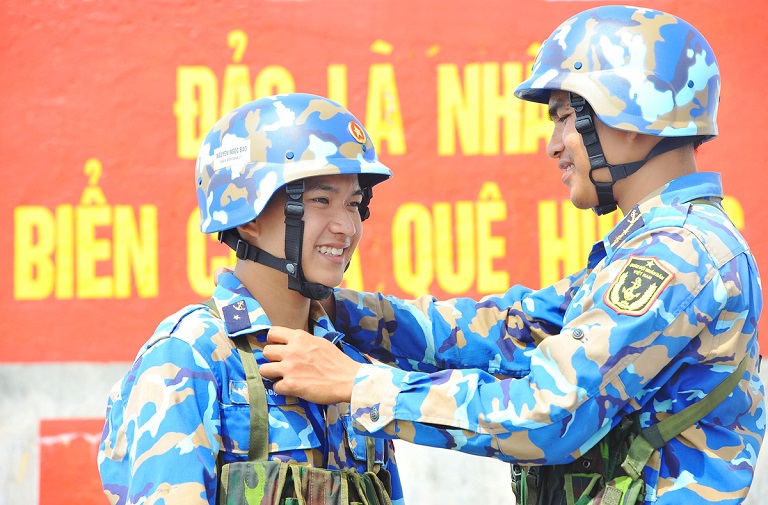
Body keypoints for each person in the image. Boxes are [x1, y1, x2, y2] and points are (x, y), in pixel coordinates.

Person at [256, 6, 765, 505]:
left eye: (566, 117)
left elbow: (549, 415)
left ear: (632, 116)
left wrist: (356, 384)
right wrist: (344, 311)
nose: (554, 145)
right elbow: (507, 331)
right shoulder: (654, 247)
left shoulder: (679, 255)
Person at [98, 93, 403, 505]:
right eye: (320, 201)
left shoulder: (348, 360)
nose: (346, 226)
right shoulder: (190, 358)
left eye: (353, 205)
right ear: (251, 218)